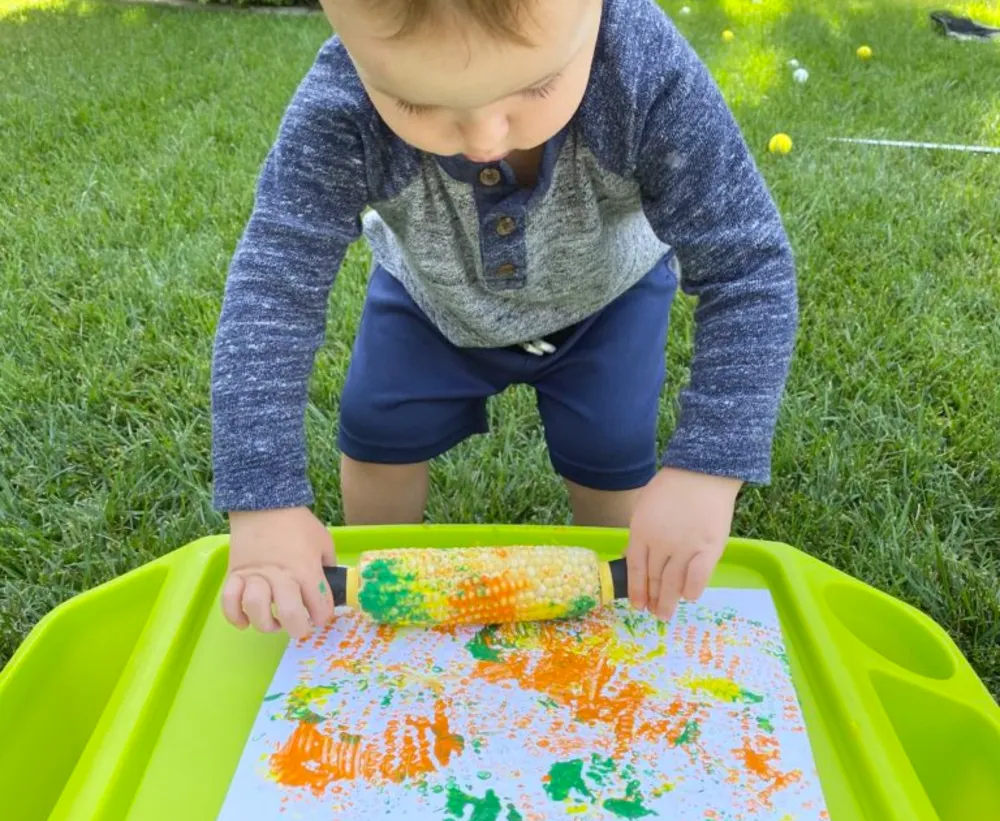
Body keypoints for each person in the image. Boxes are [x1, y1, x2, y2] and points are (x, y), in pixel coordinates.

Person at [210, 0, 798, 640]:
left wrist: (705, 472)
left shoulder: (642, 71)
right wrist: (263, 504)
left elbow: (747, 267)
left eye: (538, 86)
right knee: (377, 431)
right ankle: (370, 607)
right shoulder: (340, 106)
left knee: (609, 451)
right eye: (415, 102)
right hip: (432, 302)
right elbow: (272, 289)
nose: (485, 138)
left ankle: (619, 602)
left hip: (608, 302)